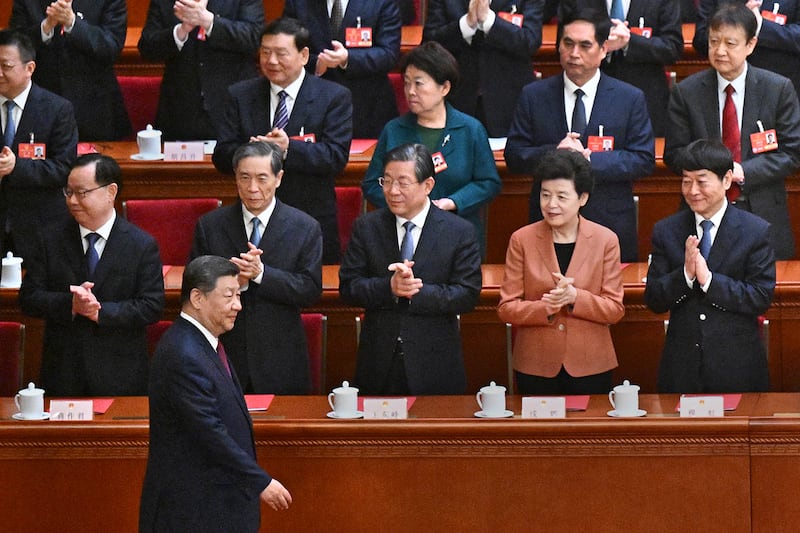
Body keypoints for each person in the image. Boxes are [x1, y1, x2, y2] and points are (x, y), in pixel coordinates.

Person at [139, 255, 291, 533]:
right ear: (198, 298)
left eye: (238, 295)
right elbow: (209, 431)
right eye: (229, 296)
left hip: (216, 504)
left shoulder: (204, 342)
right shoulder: (183, 353)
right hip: (193, 510)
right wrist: (261, 481)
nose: (238, 305)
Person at [504, 8, 655, 263]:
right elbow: (515, 155)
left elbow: (642, 159)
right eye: (568, 44)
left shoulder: (629, 98)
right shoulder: (534, 95)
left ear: (604, 49)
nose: (574, 54)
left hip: (609, 223)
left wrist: (585, 161)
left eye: (585, 45)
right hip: (546, 226)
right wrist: (556, 154)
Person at [340, 143, 482, 395]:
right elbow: (349, 287)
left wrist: (417, 291)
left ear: (427, 185)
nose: (392, 191)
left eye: (403, 183)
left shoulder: (458, 232)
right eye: (387, 181)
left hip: (435, 363)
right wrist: (390, 287)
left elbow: (467, 295)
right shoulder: (366, 227)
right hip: (378, 363)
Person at [19, 153, 164, 396]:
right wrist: (71, 304)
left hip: (121, 375)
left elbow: (152, 306)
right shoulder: (49, 239)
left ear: (111, 192)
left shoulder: (141, 245)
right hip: (63, 373)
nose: (73, 201)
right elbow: (29, 298)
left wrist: (101, 312)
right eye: (68, 192)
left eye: (82, 193)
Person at [665, 2, 800, 260]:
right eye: (714, 42)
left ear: (750, 45)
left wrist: (742, 171)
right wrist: (711, 170)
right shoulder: (687, 92)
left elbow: (791, 153)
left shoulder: (778, 89)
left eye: (730, 43)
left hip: (761, 208)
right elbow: (674, 154)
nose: (720, 51)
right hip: (702, 211)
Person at [213, 18, 352, 264]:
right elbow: (222, 155)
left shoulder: (333, 96)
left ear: (304, 55)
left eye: (281, 53)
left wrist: (288, 149)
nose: (272, 61)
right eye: (266, 53)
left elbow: (335, 157)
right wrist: (251, 152)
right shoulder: (239, 95)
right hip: (252, 218)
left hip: (311, 214)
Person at [191, 142, 323, 394]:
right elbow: (194, 288)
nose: (252, 188)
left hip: (281, 356)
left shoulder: (304, 227)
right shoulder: (211, 226)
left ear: (278, 178)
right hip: (225, 352)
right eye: (244, 178)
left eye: (262, 178)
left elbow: (309, 289)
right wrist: (233, 283)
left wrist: (262, 275)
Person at [645, 139, 775, 393]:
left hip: (737, 367)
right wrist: (685, 275)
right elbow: (654, 299)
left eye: (702, 181)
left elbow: (760, 297)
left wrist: (709, 280)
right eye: (686, 181)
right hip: (681, 368)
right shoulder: (667, 230)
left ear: (726, 180)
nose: (693, 190)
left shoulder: (755, 231)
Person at [498, 150, 624, 395]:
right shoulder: (521, 239)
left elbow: (615, 309)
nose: (551, 204)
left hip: (590, 363)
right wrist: (546, 307)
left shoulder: (605, 239)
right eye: (545, 195)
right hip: (536, 363)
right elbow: (506, 308)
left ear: (582, 198)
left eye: (561, 196)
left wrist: (575, 297)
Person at [361, 41, 501, 258]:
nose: (410, 91)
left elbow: (488, 182)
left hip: (457, 234)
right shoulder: (394, 129)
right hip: (403, 233)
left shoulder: (469, 129)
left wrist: (452, 202)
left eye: (418, 83)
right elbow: (371, 184)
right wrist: (405, 203)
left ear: (444, 87)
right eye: (406, 83)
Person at [0, 29, 78, 262]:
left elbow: (63, 168)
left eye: (6, 66)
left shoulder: (57, 110)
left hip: (40, 228)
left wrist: (17, 167)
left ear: (29, 68)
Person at [137, 0, 263, 140]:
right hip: (180, 111)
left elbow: (254, 37)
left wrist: (209, 22)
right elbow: (147, 48)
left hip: (231, 107)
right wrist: (180, 32)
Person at [557, 0, 684, 136]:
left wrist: (629, 42)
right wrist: (602, 46)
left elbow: (672, 48)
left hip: (647, 97)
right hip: (589, 97)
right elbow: (563, 45)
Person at [9, 0, 131, 141]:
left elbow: (111, 46)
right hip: (42, 108)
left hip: (95, 112)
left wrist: (72, 23)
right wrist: (45, 28)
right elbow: (14, 47)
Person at [423, 0, 545, 138]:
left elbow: (530, 41)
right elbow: (430, 45)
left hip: (509, 105)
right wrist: (466, 25)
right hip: (457, 101)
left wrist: (489, 20)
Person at [282, 0, 401, 139]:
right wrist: (316, 63)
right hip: (314, 102)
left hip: (367, 105)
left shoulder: (381, 3)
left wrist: (347, 58)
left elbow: (389, 54)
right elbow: (287, 48)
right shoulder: (299, 3)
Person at [694, 0, 800, 96]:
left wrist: (761, 27)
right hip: (724, 86)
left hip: (780, 88)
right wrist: (733, 29)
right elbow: (701, 40)